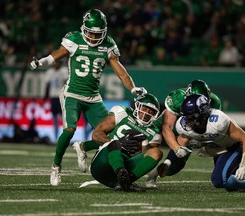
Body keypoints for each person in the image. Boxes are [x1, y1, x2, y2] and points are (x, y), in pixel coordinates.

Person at [29, 9, 146, 186]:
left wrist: (133, 88)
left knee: (111, 135)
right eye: (90, 32)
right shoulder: (74, 39)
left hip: (93, 98)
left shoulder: (108, 45)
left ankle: (82, 147)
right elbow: (55, 56)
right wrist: (40, 62)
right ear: (84, 29)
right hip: (72, 94)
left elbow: (121, 73)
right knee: (69, 130)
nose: (93, 37)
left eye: (97, 33)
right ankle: (55, 166)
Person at [172, 93, 245, 192]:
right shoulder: (183, 126)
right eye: (185, 117)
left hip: (233, 148)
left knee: (220, 181)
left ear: (202, 115)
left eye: (190, 118)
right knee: (228, 183)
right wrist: (181, 150)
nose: (186, 121)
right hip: (219, 151)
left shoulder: (217, 122)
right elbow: (181, 142)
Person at [146, 79, 221, 188]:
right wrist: (177, 148)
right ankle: (133, 169)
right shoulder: (177, 98)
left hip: (191, 126)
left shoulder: (214, 102)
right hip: (171, 122)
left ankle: (159, 170)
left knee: (174, 168)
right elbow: (167, 127)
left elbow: (209, 127)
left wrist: (200, 139)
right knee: (149, 136)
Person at [90, 93, 163, 192]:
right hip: (103, 163)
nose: (147, 113)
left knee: (157, 152)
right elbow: (96, 134)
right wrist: (118, 142)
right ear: (137, 105)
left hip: (127, 164)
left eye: (151, 111)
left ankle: (125, 182)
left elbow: (145, 158)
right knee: (115, 144)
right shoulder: (122, 112)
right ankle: (121, 171)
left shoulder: (154, 133)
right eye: (145, 108)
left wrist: (145, 142)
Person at [43, 61, 68, 142]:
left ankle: (64, 136)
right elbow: (47, 85)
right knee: (55, 119)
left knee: (64, 119)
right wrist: (45, 97)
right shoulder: (50, 72)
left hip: (61, 97)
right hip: (53, 97)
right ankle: (56, 137)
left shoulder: (63, 71)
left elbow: (66, 83)